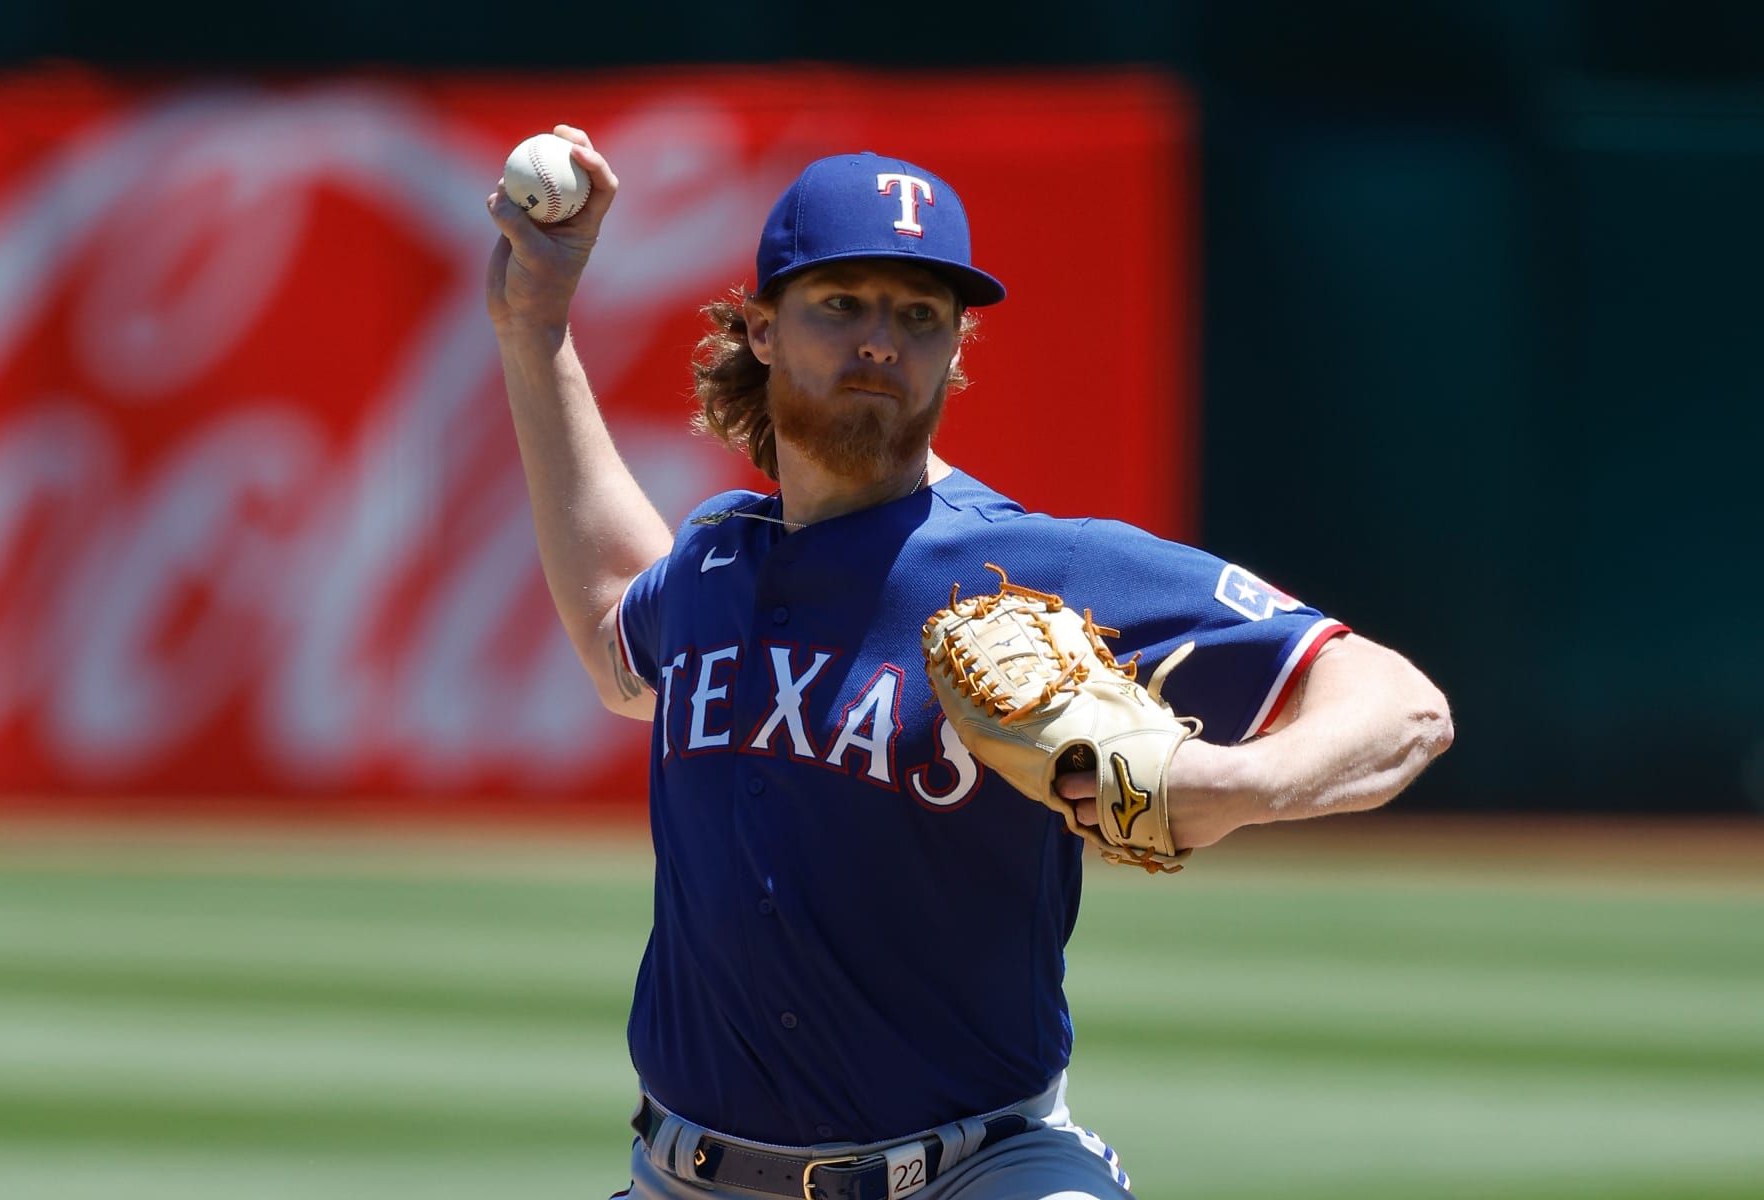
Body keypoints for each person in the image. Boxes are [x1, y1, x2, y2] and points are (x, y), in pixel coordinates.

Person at [485, 126, 1454, 1200]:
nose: (880, 341)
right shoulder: (715, 562)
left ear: (955, 350)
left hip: (979, 1171)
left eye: (919, 315)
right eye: (842, 303)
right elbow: (620, 635)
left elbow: (1403, 704)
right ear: (760, 328)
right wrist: (535, 328)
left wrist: (1236, 785)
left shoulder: (1042, 569)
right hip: (686, 1177)